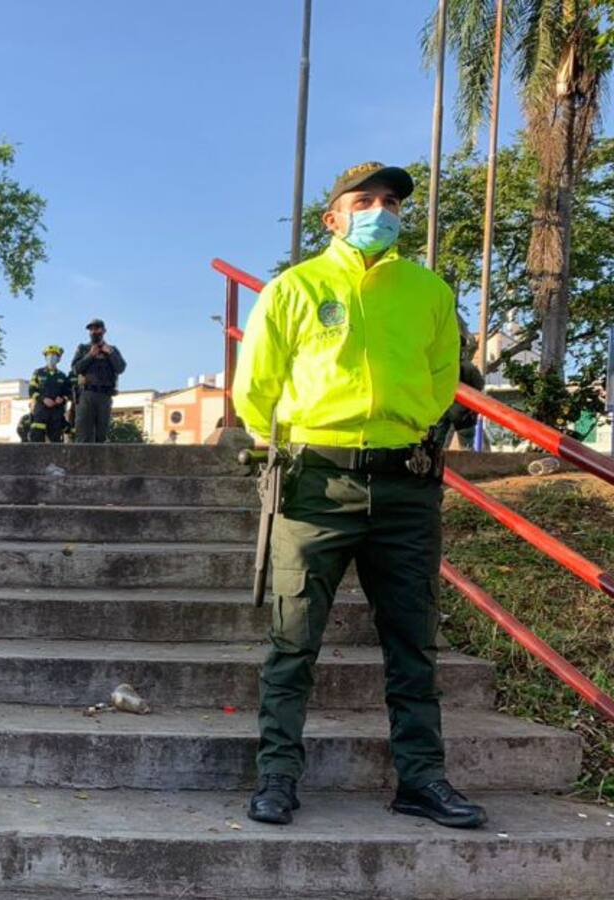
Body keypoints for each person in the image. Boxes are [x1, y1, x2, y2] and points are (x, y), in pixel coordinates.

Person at [232, 162, 484, 830]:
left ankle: (422, 779)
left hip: (406, 484)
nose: (382, 210)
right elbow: (255, 384)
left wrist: (406, 434)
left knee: (412, 641)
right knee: (293, 639)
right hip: (316, 481)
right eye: (365, 200)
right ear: (333, 217)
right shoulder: (295, 288)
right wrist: (294, 442)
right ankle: (278, 776)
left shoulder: (428, 290)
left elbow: (439, 378)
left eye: (392, 202)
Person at [432, 318, 486, 450]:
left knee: (437, 445)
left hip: (442, 410)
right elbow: (479, 385)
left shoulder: (438, 367)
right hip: (463, 412)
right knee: (466, 445)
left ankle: (437, 466)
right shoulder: (467, 367)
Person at [70, 318, 126, 443]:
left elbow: (121, 368)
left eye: (97, 328)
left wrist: (110, 353)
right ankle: (81, 462)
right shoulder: (83, 348)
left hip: (105, 396)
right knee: (83, 434)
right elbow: (75, 369)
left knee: (101, 435)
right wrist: (90, 355)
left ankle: (99, 462)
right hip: (86, 395)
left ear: (104, 330)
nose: (94, 331)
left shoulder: (112, 349)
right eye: (91, 329)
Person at [29, 344, 73, 443]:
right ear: (45, 357)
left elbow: (68, 393)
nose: (51, 357)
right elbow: (32, 390)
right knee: (36, 439)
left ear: (58, 359)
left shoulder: (62, 375)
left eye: (54, 356)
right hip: (40, 411)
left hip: (56, 413)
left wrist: (62, 399)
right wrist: (43, 399)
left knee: (55, 441)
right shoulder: (38, 373)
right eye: (49, 355)